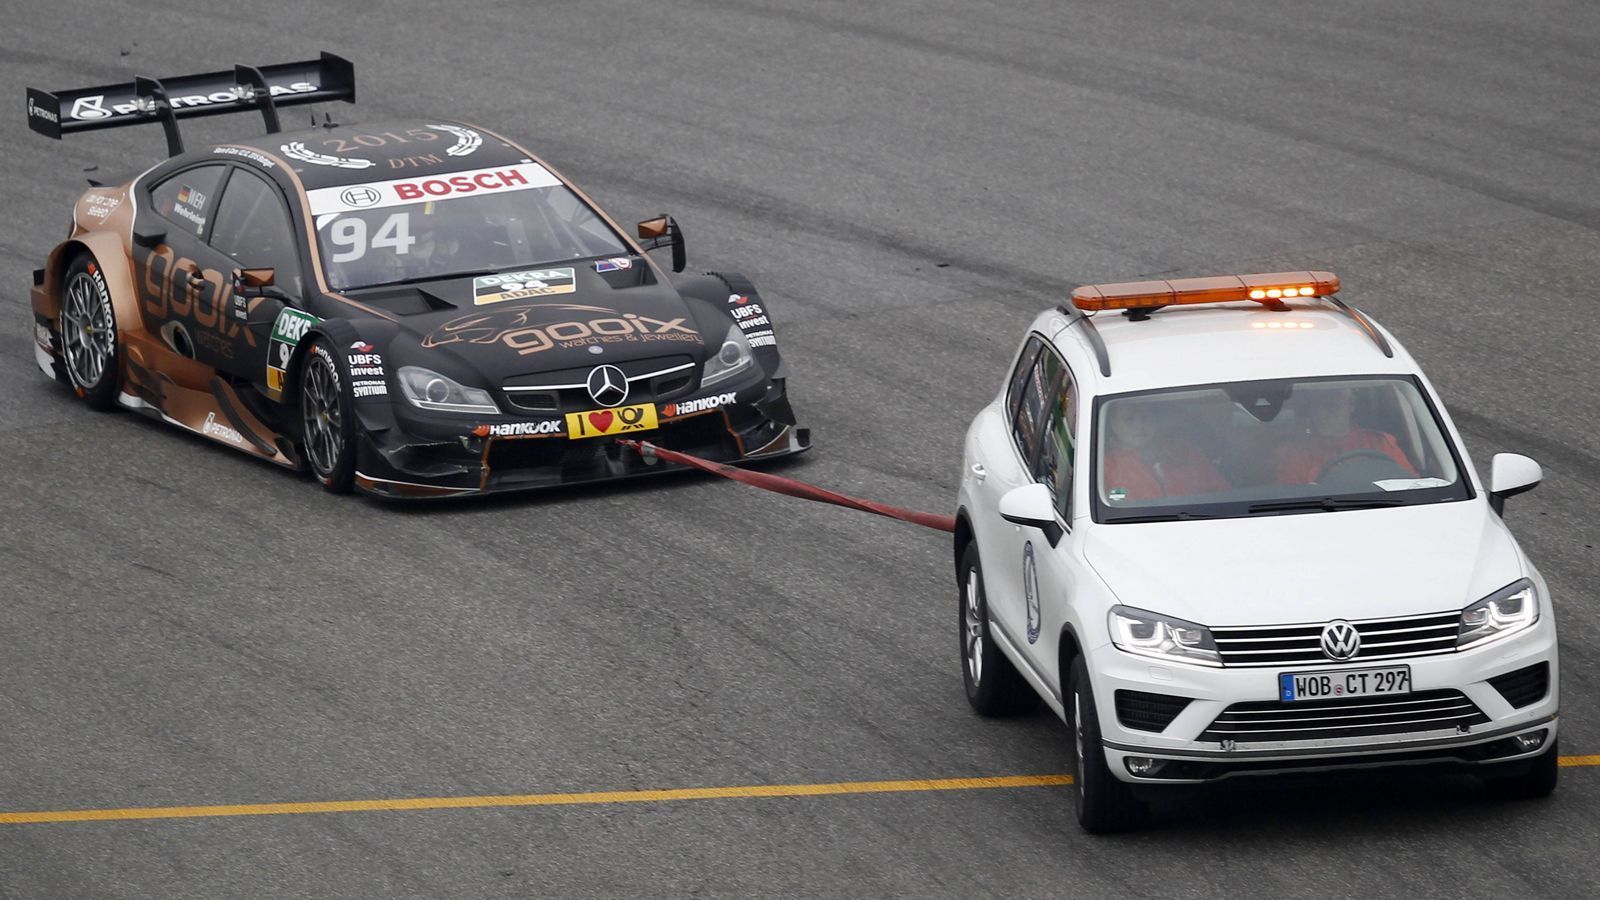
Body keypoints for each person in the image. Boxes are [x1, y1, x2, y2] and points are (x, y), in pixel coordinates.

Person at [1270, 387, 1417, 484]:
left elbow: (1411, 486)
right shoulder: (1297, 453)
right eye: (1317, 407)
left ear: (1351, 405)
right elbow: (1289, 496)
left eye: (1331, 406)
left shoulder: (1379, 444)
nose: (1322, 414)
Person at [1101, 401, 1229, 501]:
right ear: (1114, 424)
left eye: (1145, 417)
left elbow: (1222, 493)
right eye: (1129, 419)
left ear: (1155, 420)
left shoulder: (1185, 452)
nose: (1139, 425)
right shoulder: (1105, 466)